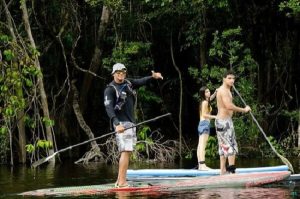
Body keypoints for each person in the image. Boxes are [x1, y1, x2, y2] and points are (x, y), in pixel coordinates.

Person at [104, 63, 163, 187]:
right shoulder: (110, 89)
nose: (121, 75)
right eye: (118, 72)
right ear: (113, 74)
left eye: (123, 72)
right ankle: (122, 182)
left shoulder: (128, 83)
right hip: (121, 124)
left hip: (131, 123)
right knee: (125, 151)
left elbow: (140, 81)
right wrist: (116, 123)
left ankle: (119, 181)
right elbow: (109, 108)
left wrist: (152, 77)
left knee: (127, 152)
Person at [215, 70, 251, 175]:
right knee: (230, 146)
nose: (232, 80)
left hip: (224, 121)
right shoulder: (223, 91)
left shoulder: (227, 90)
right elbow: (229, 106)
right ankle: (232, 172)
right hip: (224, 122)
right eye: (229, 78)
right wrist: (244, 110)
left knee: (223, 147)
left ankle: (222, 171)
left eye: (233, 78)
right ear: (224, 79)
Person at [197, 86, 217, 170]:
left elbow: (211, 98)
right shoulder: (205, 103)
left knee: (200, 145)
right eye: (206, 92)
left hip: (202, 124)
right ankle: (202, 165)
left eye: (209, 91)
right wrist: (215, 116)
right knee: (202, 145)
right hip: (205, 124)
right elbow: (205, 115)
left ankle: (200, 165)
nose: (209, 93)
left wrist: (215, 93)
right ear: (203, 94)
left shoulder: (205, 101)